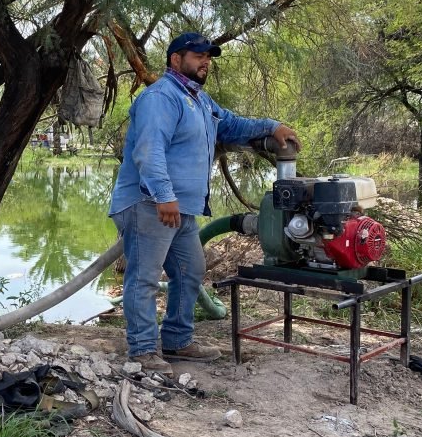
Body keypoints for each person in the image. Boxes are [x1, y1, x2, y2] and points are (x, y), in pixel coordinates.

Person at [109, 32, 301, 377]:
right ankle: (142, 350)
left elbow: (232, 125)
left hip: (179, 208)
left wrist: (273, 127)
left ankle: (177, 340)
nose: (205, 62)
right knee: (145, 278)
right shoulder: (161, 98)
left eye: (208, 57)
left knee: (191, 270)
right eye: (198, 56)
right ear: (176, 59)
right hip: (149, 203)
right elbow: (149, 151)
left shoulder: (199, 100)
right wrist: (164, 196)